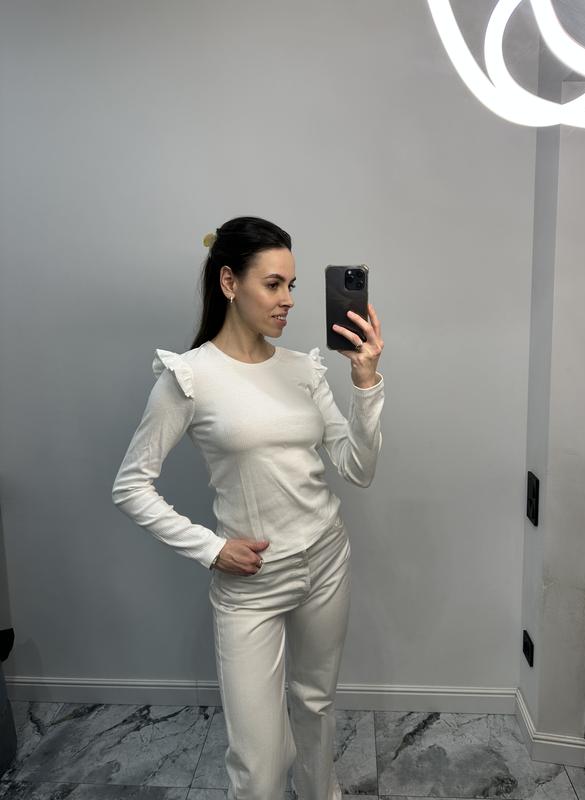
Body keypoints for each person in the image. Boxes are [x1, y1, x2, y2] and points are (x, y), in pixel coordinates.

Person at [111, 215, 385, 800]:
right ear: (230, 282)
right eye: (274, 284)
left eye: (293, 285)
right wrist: (212, 549)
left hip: (327, 560)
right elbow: (131, 486)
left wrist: (366, 384)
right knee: (258, 768)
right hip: (252, 582)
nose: (289, 300)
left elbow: (357, 467)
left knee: (315, 705)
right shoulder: (190, 376)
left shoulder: (304, 369)